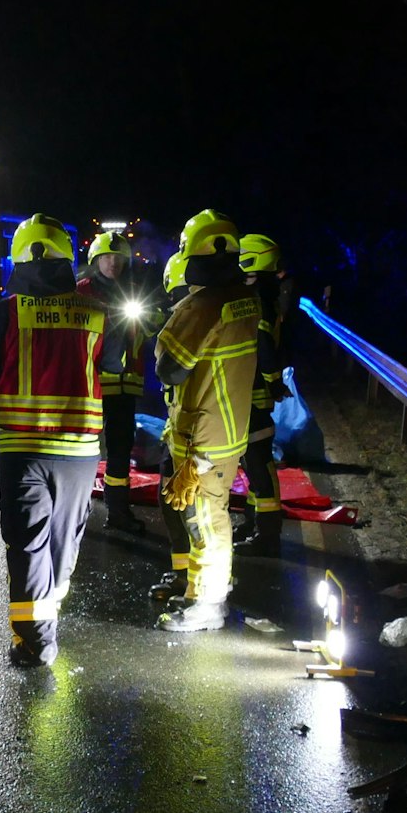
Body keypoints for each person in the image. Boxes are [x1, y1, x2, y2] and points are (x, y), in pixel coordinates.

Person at [0, 214, 125, 666]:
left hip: (22, 451)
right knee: (63, 541)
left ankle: (35, 641)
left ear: (20, 257)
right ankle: (46, 619)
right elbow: (115, 364)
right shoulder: (98, 313)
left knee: (27, 544)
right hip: (79, 452)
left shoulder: (4, 313)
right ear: (66, 259)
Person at [153, 210, 259, 632]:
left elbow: (169, 369)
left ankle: (208, 606)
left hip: (204, 436)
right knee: (208, 514)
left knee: (206, 521)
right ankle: (202, 591)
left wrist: (171, 323)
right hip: (227, 430)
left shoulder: (202, 306)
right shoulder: (244, 299)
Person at [76, 231, 153, 534]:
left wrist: (153, 317)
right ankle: (73, 511)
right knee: (82, 449)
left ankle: (118, 512)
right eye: (107, 257)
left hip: (124, 385)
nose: (113, 262)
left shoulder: (133, 291)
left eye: (119, 258)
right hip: (91, 385)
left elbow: (148, 330)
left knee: (121, 449)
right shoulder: (81, 292)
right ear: (95, 260)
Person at [232, 232, 289, 556]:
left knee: (259, 464)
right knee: (253, 465)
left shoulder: (257, 300)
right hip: (252, 395)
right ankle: (253, 522)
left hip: (253, 396)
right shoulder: (263, 296)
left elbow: (264, 349)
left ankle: (267, 534)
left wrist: (273, 381)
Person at [149, 249, 194, 597]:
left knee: (194, 514)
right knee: (173, 502)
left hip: (196, 435)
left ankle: (197, 584)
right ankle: (183, 574)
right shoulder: (192, 317)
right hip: (182, 431)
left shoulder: (192, 321)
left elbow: (169, 370)